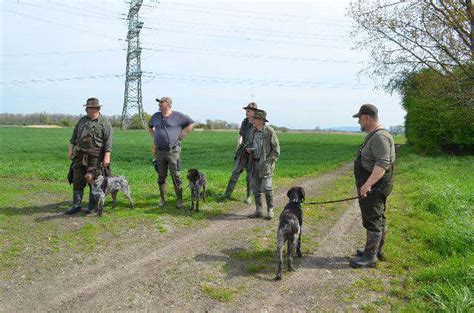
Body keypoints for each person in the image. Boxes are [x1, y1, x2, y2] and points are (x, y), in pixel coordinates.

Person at [350, 104, 395, 268]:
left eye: (360, 119)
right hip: (377, 185)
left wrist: (368, 184)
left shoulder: (379, 137)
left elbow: (383, 163)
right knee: (378, 217)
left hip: (375, 186)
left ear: (366, 118)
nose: (359, 123)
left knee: (373, 219)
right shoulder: (375, 135)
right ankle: (375, 249)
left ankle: (370, 257)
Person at [65, 97, 113, 215]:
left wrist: (107, 156)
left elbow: (108, 142)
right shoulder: (82, 121)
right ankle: (76, 205)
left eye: (90, 108)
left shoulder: (104, 123)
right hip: (80, 155)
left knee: (94, 180)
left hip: (96, 156)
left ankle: (92, 206)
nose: (87, 109)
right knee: (77, 178)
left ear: (96, 108)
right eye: (87, 107)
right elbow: (73, 137)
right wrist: (70, 150)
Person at [148, 97, 194, 208]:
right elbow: (150, 127)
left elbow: (191, 123)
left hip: (173, 151)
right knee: (161, 176)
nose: (159, 105)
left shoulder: (178, 116)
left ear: (168, 104)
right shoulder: (155, 116)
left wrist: (181, 137)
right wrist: (155, 137)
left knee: (176, 175)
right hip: (159, 151)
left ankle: (179, 200)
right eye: (159, 103)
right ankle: (163, 199)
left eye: (161, 103)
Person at [221, 102, 258, 203]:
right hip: (242, 151)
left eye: (249, 110)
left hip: (252, 153)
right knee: (235, 172)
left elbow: (260, 140)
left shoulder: (258, 122)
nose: (246, 112)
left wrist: (253, 149)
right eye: (246, 110)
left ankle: (249, 197)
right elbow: (240, 135)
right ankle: (227, 194)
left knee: (250, 175)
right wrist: (237, 148)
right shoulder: (245, 121)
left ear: (254, 112)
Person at [246, 109, 280, 220]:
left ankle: (270, 210)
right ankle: (259, 211)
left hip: (265, 166)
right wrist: (248, 149)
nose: (252, 120)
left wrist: (268, 162)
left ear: (261, 120)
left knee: (267, 187)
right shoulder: (252, 131)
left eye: (255, 118)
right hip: (253, 164)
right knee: (255, 189)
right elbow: (248, 144)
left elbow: (276, 151)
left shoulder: (269, 131)